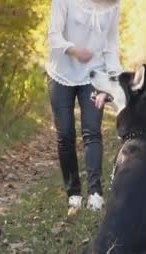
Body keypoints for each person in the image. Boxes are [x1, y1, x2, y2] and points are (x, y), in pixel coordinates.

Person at [46, 0, 122, 214]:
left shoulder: (112, 5)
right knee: (66, 134)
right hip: (61, 74)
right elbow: (53, 36)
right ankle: (74, 193)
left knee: (92, 130)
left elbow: (111, 46)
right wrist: (73, 50)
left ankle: (96, 194)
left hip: (94, 75)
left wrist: (111, 82)